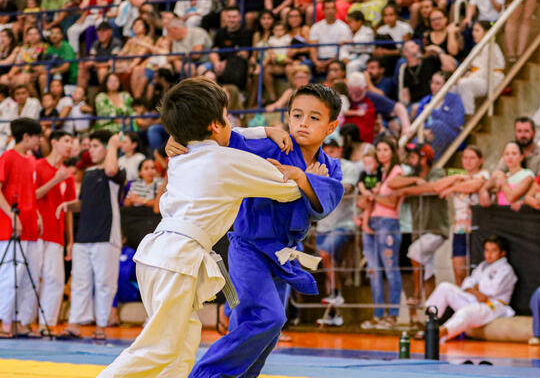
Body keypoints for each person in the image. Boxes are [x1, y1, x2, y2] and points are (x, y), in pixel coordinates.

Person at [99, 78, 332, 377]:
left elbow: (226, 135)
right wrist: (306, 177)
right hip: (177, 258)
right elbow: (284, 189)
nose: (231, 124)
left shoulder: (182, 154)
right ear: (215, 125)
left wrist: (266, 131)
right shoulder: (225, 161)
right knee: (159, 348)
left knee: (181, 349)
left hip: (159, 255)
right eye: (226, 117)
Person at [183, 84, 345, 378]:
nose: (303, 123)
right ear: (288, 116)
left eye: (314, 118)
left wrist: (304, 179)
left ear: (331, 126)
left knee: (264, 328)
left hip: (283, 254)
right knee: (267, 317)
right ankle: (203, 375)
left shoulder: (329, 166)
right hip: (249, 247)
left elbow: (326, 204)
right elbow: (226, 138)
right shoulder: (274, 146)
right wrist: (180, 139)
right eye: (297, 115)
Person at [54, 130, 125, 341]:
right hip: (84, 236)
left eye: (95, 146)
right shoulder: (88, 174)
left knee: (105, 282)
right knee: (80, 282)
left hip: (106, 236)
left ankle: (101, 325)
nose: (91, 150)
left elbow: (111, 168)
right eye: (90, 146)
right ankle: (74, 324)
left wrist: (113, 145)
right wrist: (69, 205)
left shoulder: (116, 172)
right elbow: (83, 203)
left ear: (106, 147)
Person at [425, 235, 518, 341]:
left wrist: (476, 287)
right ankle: (429, 322)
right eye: (487, 250)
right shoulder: (482, 266)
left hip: (492, 306)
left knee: (466, 312)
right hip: (475, 299)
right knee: (444, 287)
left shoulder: (506, 270)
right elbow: (467, 284)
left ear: (503, 253)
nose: (489, 254)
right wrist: (476, 291)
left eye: (493, 251)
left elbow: (492, 290)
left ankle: (440, 332)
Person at [389, 144, 448, 303]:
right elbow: (392, 183)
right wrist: (414, 180)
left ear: (424, 159)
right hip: (420, 233)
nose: (410, 160)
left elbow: (434, 187)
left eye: (414, 157)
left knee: (414, 253)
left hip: (436, 229)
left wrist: (407, 190)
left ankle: (417, 294)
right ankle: (434, 311)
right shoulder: (412, 176)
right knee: (428, 271)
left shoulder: (437, 172)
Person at [0, 118, 42, 338]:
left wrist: (36, 215)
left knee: (28, 276)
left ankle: (20, 322)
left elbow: (29, 192)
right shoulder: (7, 157)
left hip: (29, 226)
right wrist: (11, 216)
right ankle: (5, 322)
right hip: (10, 227)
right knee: (9, 275)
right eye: (37, 136)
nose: (39, 141)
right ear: (26, 137)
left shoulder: (31, 160)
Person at [34, 130, 76, 336]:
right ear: (54, 142)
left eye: (72, 142)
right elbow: (30, 196)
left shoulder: (67, 174)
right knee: (29, 278)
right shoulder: (37, 165)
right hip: (35, 232)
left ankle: (45, 325)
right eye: (66, 141)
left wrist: (70, 240)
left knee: (56, 281)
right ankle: (18, 323)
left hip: (57, 235)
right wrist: (54, 180)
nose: (70, 145)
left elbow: (68, 209)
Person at [359, 137, 404, 330]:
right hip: (373, 220)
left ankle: (393, 315)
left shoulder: (397, 172)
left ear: (393, 152)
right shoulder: (378, 173)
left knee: (390, 267)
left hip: (388, 221)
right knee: (373, 270)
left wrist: (373, 196)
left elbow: (391, 202)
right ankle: (378, 315)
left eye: (386, 150)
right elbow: (364, 200)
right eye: (379, 150)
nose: (382, 153)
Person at [315, 136, 359, 325]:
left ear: (340, 150)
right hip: (323, 225)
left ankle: (336, 294)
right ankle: (334, 314)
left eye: (333, 149)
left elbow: (347, 188)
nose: (330, 152)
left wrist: (323, 182)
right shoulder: (318, 165)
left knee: (326, 255)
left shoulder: (349, 167)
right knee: (328, 266)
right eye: (327, 149)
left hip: (344, 224)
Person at [435, 145, 489, 286]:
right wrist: (457, 177)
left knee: (476, 272)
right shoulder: (459, 177)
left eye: (472, 158)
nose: (468, 161)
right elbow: (437, 187)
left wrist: (452, 188)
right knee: (459, 272)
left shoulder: (484, 175)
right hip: (459, 229)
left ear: (480, 160)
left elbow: (474, 185)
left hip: (476, 229)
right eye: (465, 157)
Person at [343, 72, 410, 144]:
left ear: (365, 88)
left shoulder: (372, 98)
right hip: (345, 140)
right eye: (350, 90)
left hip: (366, 142)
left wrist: (406, 127)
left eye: (357, 92)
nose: (353, 95)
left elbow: (399, 107)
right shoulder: (344, 96)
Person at [456, 21, 504, 116]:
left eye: (477, 30)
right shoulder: (476, 48)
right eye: (473, 30)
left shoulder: (492, 46)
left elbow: (486, 70)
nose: (474, 33)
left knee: (465, 84)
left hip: (492, 80)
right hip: (478, 78)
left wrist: (469, 77)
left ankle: (468, 115)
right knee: (452, 88)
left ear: (486, 32)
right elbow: (468, 66)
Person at [414, 71, 465, 159]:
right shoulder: (426, 100)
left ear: (447, 85)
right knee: (416, 141)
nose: (433, 86)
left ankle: (433, 161)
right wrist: (426, 131)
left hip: (451, 136)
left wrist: (434, 112)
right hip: (428, 135)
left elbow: (457, 122)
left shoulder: (455, 99)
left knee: (437, 125)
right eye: (432, 82)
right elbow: (418, 121)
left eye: (437, 83)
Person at [481, 141, 535, 211]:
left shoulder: (528, 175)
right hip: (501, 216)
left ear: (521, 157)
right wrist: (484, 189)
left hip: (519, 217)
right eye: (507, 154)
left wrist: (502, 181)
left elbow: (511, 198)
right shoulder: (504, 175)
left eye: (514, 153)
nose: (510, 157)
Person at [209, 7, 253, 90]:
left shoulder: (246, 33)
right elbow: (213, 51)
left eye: (234, 17)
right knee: (202, 70)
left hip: (237, 65)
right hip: (219, 63)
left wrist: (226, 62)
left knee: (233, 65)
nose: (231, 20)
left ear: (240, 18)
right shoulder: (220, 33)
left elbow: (244, 54)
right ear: (225, 18)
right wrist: (216, 63)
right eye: (229, 17)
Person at [309, 0, 352, 78]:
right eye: (327, 8)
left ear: (336, 10)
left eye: (332, 8)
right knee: (304, 66)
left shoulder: (344, 27)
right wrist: (316, 62)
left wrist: (327, 63)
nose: (330, 11)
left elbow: (343, 49)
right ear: (323, 10)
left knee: (335, 66)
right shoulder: (316, 27)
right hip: (319, 59)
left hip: (336, 59)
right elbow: (313, 47)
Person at [77, 21, 121, 88]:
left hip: (110, 70)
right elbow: (91, 59)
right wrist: (86, 64)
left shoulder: (116, 43)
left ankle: (103, 92)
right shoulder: (96, 43)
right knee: (81, 68)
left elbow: (111, 63)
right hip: (96, 68)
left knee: (102, 70)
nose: (101, 34)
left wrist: (96, 64)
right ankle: (81, 93)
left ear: (110, 32)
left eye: (104, 32)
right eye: (99, 32)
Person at [340, 10, 374, 75]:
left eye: (351, 22)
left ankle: (350, 85)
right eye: (348, 22)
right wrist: (345, 58)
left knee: (352, 66)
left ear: (359, 22)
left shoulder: (368, 31)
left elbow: (364, 41)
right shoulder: (348, 32)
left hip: (364, 57)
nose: (349, 24)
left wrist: (349, 41)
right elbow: (344, 48)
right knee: (337, 65)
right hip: (350, 56)